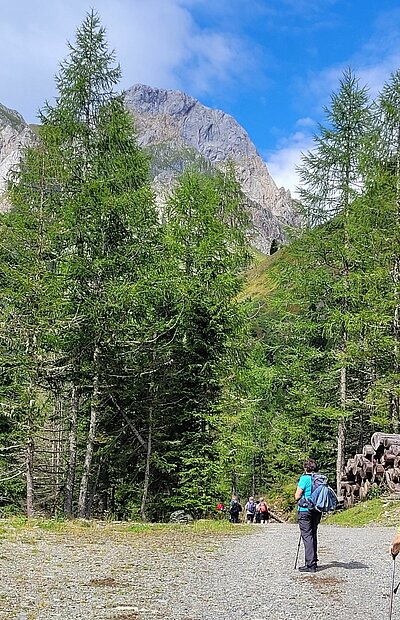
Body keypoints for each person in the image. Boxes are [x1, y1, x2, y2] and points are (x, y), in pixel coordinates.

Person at [295, 458, 321, 573]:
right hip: (316, 510)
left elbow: (297, 496)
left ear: (306, 468)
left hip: (305, 510)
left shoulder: (304, 478)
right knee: (313, 534)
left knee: (307, 536)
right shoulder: (319, 479)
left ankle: (310, 565)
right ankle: (313, 560)